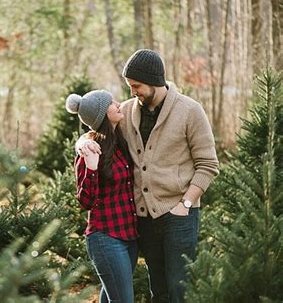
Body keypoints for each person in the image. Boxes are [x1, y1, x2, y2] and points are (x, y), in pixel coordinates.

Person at [77, 49, 219, 302]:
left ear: (154, 81)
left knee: (180, 288)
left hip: (179, 215)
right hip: (144, 218)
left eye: (136, 85)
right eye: (129, 86)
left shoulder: (190, 111)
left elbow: (208, 164)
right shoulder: (128, 111)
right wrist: (82, 142)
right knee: (159, 290)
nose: (132, 92)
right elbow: (100, 129)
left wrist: (185, 204)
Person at [66, 90, 138, 303]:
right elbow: (85, 201)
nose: (118, 104)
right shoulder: (91, 150)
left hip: (129, 235)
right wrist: (91, 168)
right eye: (110, 103)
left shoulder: (120, 141)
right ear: (100, 115)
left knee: (111, 297)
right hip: (106, 236)